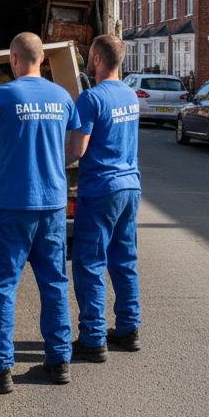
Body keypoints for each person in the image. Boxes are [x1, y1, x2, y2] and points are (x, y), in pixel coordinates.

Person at [0, 33, 80, 393]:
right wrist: (55, 166)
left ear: (13, 59)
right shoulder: (62, 97)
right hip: (53, 205)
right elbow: (77, 146)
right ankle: (59, 362)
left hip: (13, 204)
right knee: (55, 284)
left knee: (2, 286)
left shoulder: (2, 95)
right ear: (41, 58)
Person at [65, 34, 142, 359]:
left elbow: (76, 151)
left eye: (89, 56)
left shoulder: (91, 99)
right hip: (130, 189)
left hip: (100, 192)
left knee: (90, 264)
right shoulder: (130, 95)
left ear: (97, 59)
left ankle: (94, 338)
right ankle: (129, 329)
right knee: (124, 261)